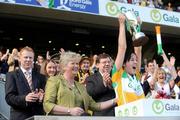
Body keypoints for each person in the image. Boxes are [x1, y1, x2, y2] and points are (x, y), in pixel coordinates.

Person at [43, 51, 116, 116]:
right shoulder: (54, 80)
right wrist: (69, 111)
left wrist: (115, 100)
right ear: (64, 66)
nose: (76, 66)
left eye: (77, 64)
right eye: (73, 63)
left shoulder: (80, 86)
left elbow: (95, 106)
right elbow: (47, 105)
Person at [112, 14, 145, 106]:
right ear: (124, 64)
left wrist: (138, 27)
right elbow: (122, 48)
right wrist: (122, 24)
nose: (135, 61)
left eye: (136, 60)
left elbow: (138, 49)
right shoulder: (117, 75)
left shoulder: (137, 75)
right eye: (132, 60)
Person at [5, 46, 46, 120]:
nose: (28, 60)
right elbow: (9, 98)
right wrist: (24, 98)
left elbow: (45, 97)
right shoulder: (11, 75)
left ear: (33, 59)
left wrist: (41, 97)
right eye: (25, 57)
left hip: (38, 116)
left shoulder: (41, 77)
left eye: (30, 58)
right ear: (20, 58)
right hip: (20, 116)